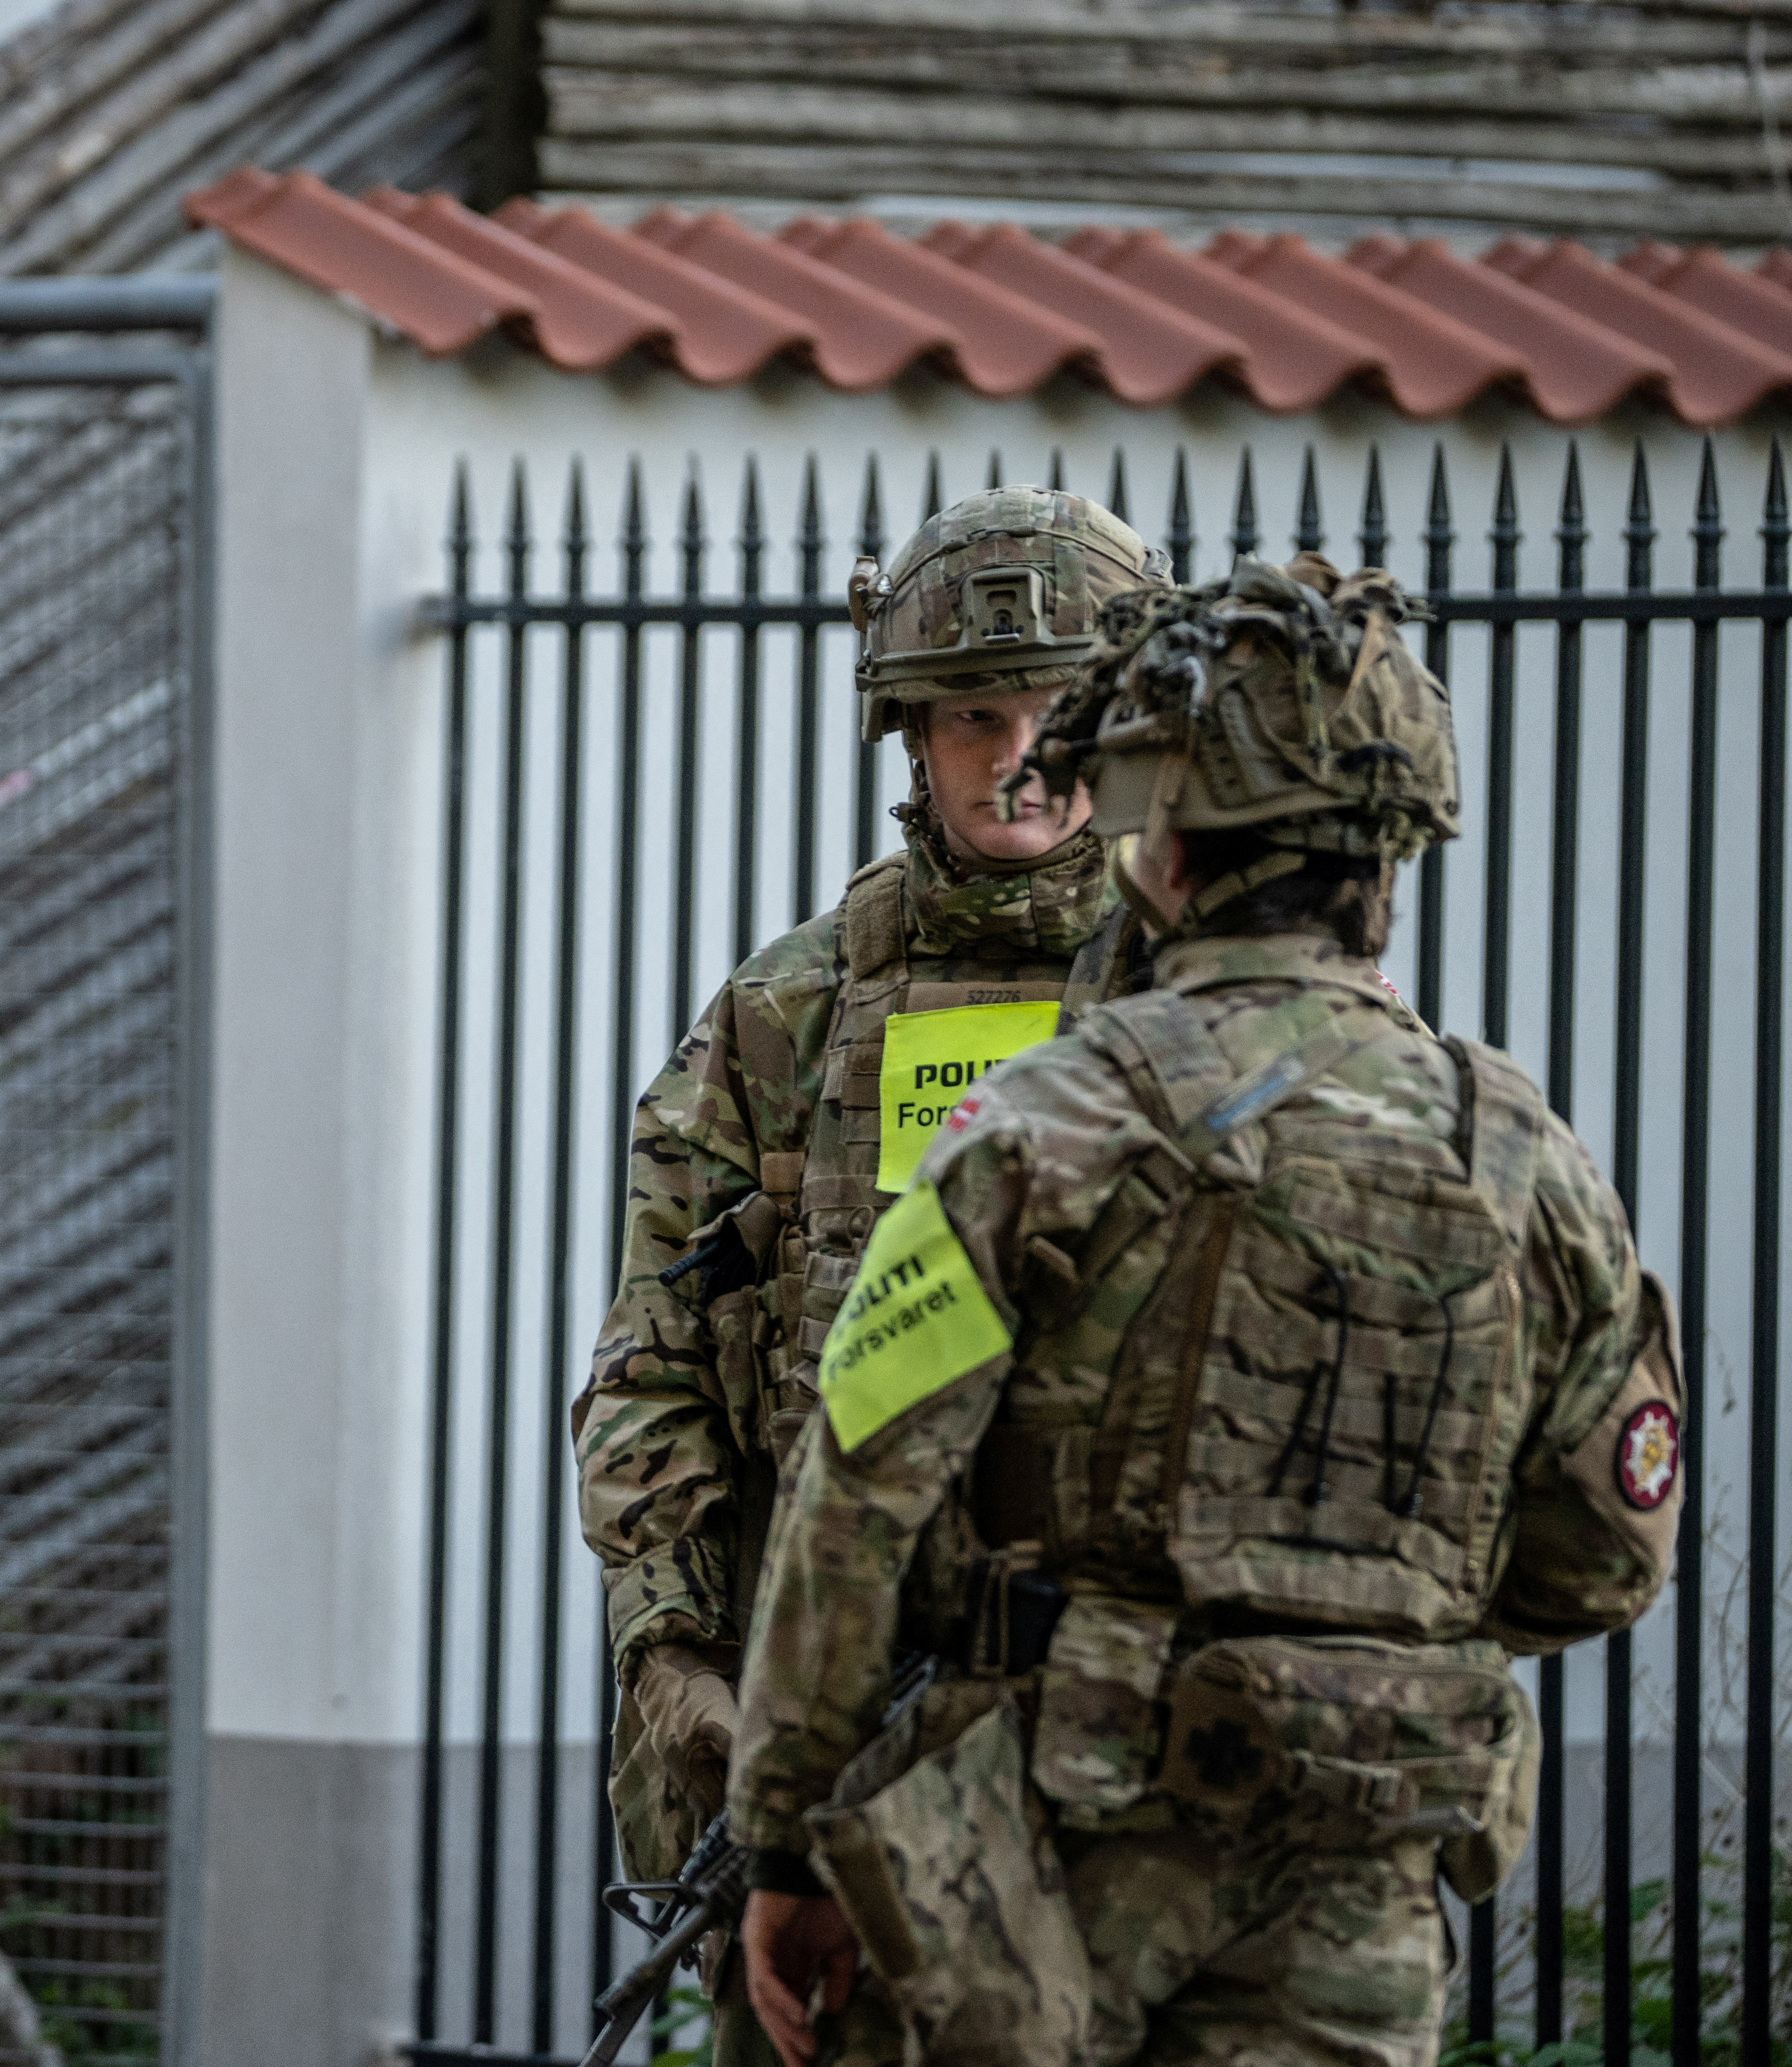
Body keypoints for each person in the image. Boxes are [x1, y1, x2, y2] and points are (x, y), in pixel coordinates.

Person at [729, 555, 1682, 2065]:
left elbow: (858, 1500)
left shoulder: (1039, 1127)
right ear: (1392, 845)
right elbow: (1603, 1561)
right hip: (1364, 1868)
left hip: (1050, 1860)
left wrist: (788, 1841)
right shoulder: (1522, 1158)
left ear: (1159, 850)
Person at [573, 487, 1165, 2058]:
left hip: (1131, 1761)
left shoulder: (1205, 1000)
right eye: (975, 710)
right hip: (833, 1756)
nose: (1017, 751)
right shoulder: (794, 1014)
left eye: (1057, 708)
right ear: (911, 730)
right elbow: (649, 1370)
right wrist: (678, 1657)